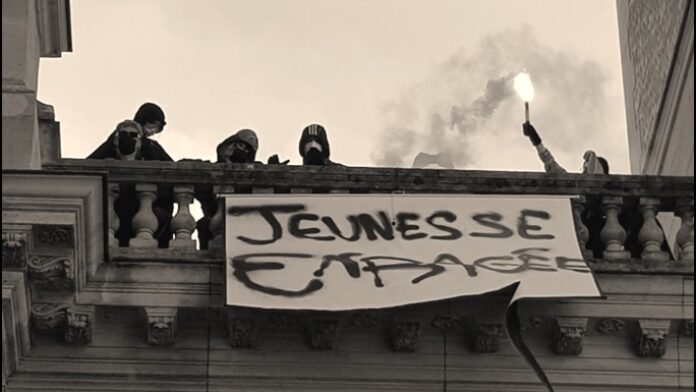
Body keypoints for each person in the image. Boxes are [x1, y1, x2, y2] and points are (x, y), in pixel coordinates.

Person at [88, 102, 172, 161]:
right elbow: (98, 156)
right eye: (152, 126)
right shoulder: (123, 136)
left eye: (156, 128)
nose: (153, 131)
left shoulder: (151, 145)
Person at [522, 122, 609, 174]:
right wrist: (534, 138)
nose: (585, 171)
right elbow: (550, 163)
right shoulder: (574, 185)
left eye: (588, 168)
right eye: (585, 169)